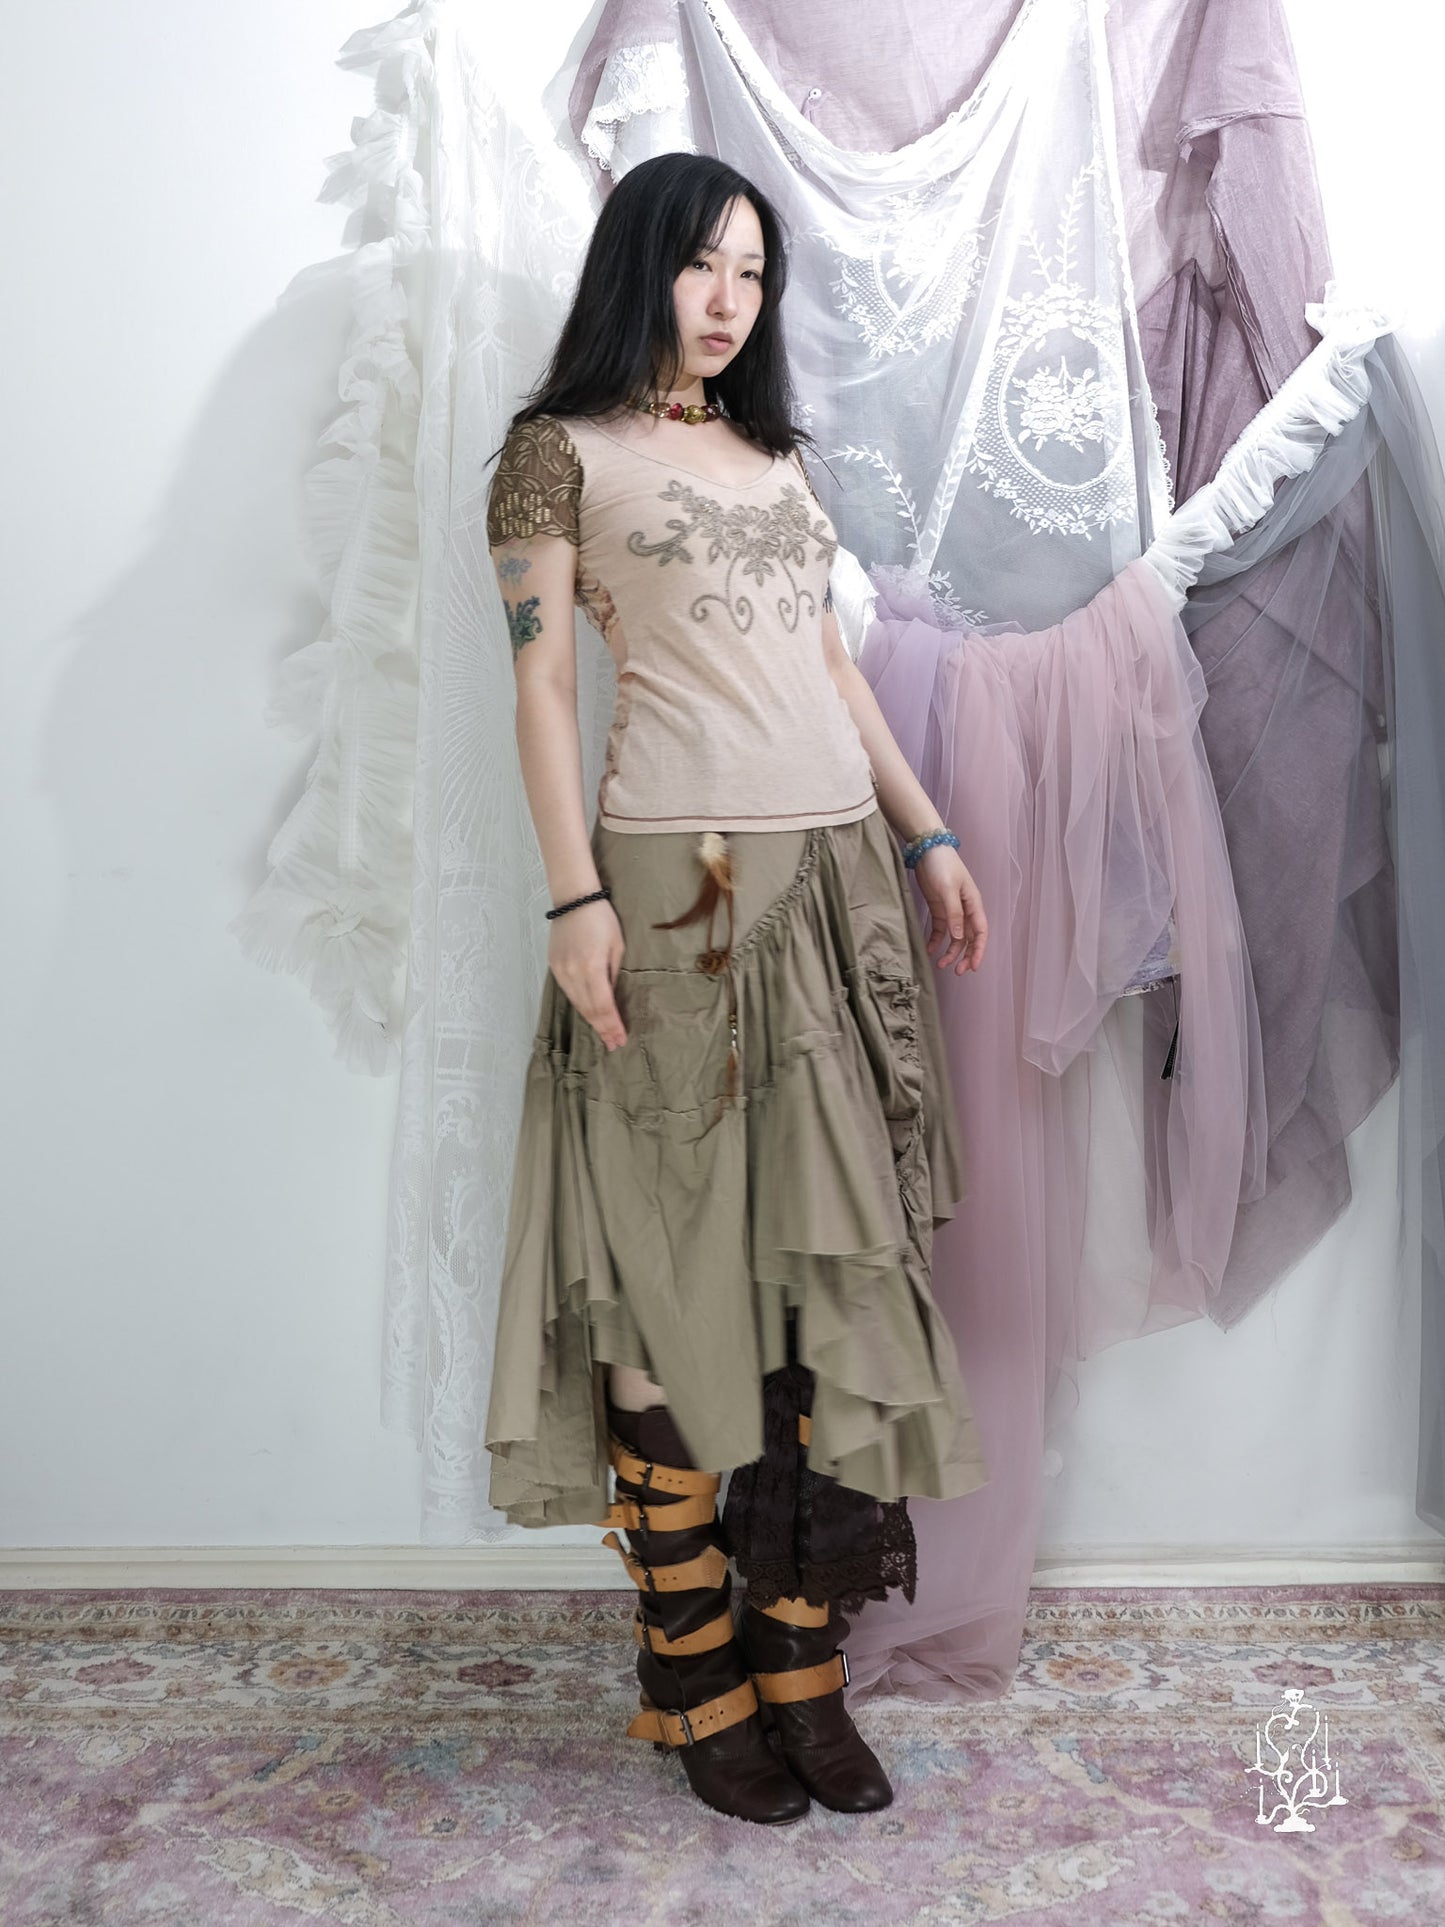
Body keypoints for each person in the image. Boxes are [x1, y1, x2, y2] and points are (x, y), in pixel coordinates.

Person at [481, 151, 990, 1826]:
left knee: (818, 1278)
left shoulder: (771, 452)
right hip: (677, 892)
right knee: (673, 1272)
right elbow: (541, 692)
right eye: (702, 264)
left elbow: (828, 662)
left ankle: (798, 1657)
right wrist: (573, 896)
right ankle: (690, 1662)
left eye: (752, 273)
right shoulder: (557, 454)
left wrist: (924, 833)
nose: (726, 299)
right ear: (640, 266)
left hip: (834, 883)